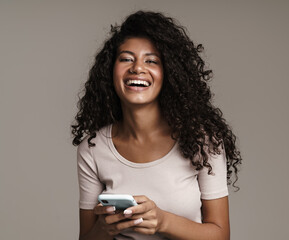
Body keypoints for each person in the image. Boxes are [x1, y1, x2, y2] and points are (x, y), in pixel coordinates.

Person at [71, 10, 241, 240]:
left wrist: (163, 221)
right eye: (126, 59)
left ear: (168, 73)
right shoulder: (92, 149)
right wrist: (105, 227)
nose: (137, 68)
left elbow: (221, 236)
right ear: (110, 71)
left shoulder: (203, 141)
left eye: (151, 60)